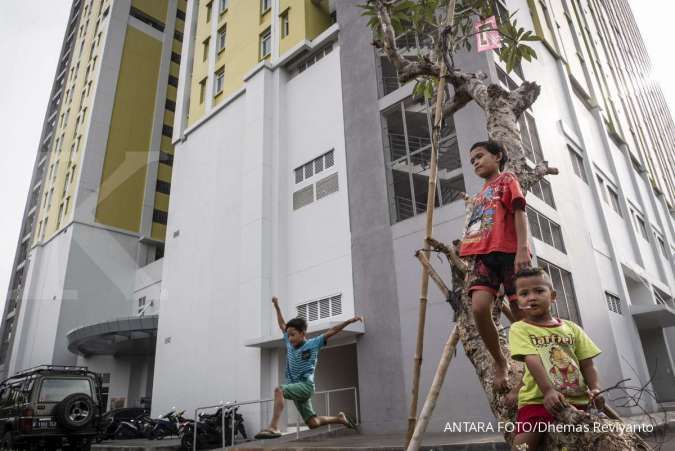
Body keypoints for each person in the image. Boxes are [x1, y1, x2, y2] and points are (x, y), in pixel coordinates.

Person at [460, 140, 531, 390]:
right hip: (484, 257)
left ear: (498, 156)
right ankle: (500, 361)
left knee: (522, 315)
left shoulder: (508, 180)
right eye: (472, 161)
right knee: (479, 308)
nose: (476, 162)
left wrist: (523, 248)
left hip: (511, 254)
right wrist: (468, 252)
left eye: (479, 156)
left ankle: (530, 372)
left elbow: (519, 213)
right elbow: (477, 228)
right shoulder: (479, 195)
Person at [508, 267, 604, 451]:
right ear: (518, 301)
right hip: (537, 401)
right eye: (524, 293)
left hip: (577, 402)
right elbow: (532, 359)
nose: (532, 297)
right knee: (523, 446)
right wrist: (548, 391)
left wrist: (595, 388)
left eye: (539, 291)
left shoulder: (571, 328)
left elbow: (587, 363)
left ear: (553, 296)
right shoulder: (520, 328)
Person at [254, 296, 360, 439]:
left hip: (305, 386)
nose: (290, 339)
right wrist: (277, 306)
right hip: (297, 387)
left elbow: (332, 330)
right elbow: (282, 324)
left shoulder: (314, 343)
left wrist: (348, 321)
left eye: (293, 335)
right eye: (288, 335)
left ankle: (273, 427)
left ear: (303, 333)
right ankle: (340, 418)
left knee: (279, 390)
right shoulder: (290, 343)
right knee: (312, 422)